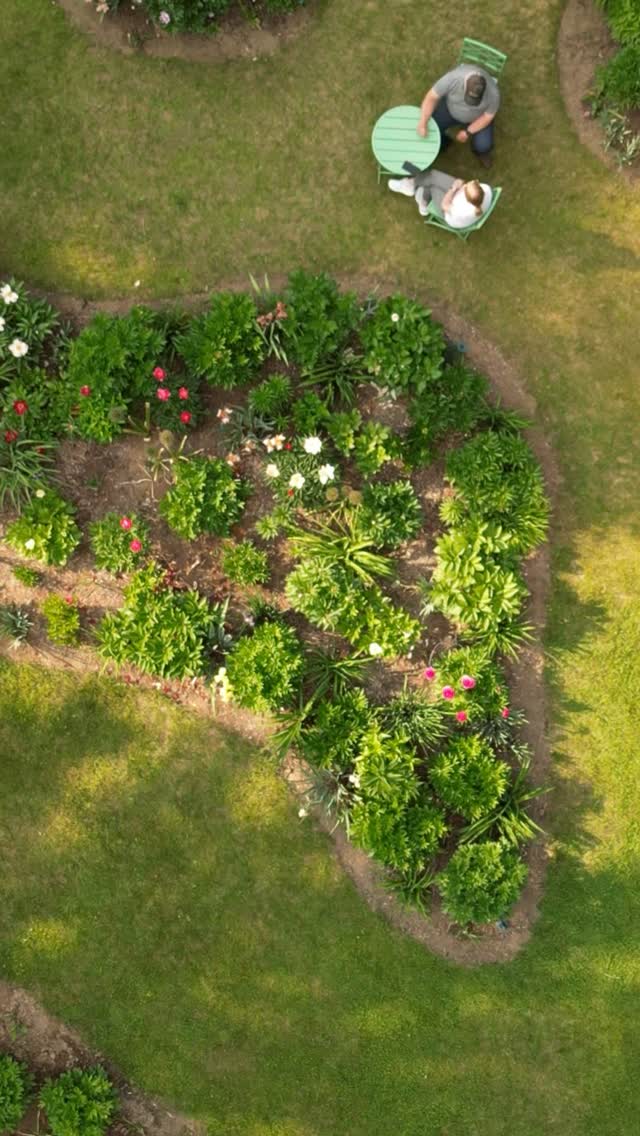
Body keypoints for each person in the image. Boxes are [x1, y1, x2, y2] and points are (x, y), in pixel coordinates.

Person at [417, 65, 499, 168]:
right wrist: (423, 122)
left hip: (477, 117)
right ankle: (443, 143)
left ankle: (480, 152)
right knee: (431, 128)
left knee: (483, 145)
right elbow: (431, 97)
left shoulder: (493, 93)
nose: (469, 105)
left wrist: (468, 131)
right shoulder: (452, 79)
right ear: (464, 84)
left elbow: (487, 117)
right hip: (449, 110)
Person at [387, 172, 492, 229]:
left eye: (467, 186)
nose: (467, 183)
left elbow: (444, 205)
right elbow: (463, 185)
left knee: (432, 186)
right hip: (456, 200)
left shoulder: (461, 210)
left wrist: (454, 188)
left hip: (449, 214)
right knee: (433, 176)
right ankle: (413, 183)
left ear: (466, 196)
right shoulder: (486, 190)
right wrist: (459, 184)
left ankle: (419, 197)